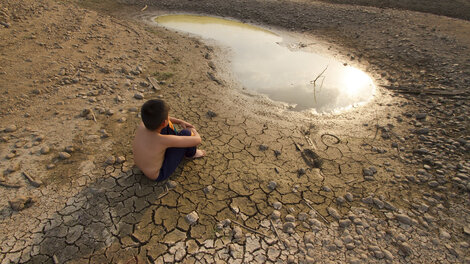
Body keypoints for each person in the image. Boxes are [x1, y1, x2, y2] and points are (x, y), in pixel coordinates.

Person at [133, 99, 205, 181]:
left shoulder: (142, 125)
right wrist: (192, 129)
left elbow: (164, 120)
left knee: (165, 125)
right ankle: (191, 154)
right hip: (158, 174)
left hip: (141, 166)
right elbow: (197, 140)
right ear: (163, 122)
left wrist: (179, 121)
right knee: (186, 133)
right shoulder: (163, 140)